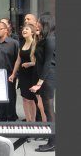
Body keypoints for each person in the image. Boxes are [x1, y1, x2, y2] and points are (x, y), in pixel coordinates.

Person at [9, 24, 47, 122]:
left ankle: (37, 122)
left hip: (33, 74)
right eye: (23, 29)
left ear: (33, 32)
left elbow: (41, 61)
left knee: (34, 100)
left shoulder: (36, 44)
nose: (24, 30)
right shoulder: (22, 43)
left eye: (27, 29)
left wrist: (30, 64)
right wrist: (13, 74)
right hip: (23, 75)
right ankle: (29, 122)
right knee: (25, 99)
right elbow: (18, 60)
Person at [29, 12, 56, 152]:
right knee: (47, 109)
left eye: (39, 22)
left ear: (45, 23)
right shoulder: (45, 38)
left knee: (49, 110)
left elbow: (48, 63)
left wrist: (39, 83)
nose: (37, 24)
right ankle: (52, 139)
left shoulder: (51, 39)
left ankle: (53, 142)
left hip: (48, 78)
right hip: (45, 77)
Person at [0, 22, 19, 122]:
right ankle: (1, 117)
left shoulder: (13, 43)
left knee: (10, 96)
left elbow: (17, 60)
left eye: (0, 28)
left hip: (9, 74)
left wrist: (15, 74)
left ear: (6, 30)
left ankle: (11, 117)